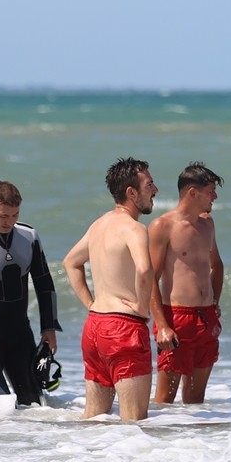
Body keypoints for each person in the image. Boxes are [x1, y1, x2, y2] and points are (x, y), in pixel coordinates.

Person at [62, 157, 159, 421]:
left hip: (95, 327)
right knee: (134, 422)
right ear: (131, 193)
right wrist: (141, 306)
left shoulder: (99, 224)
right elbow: (144, 269)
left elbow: (71, 262)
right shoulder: (134, 228)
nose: (155, 190)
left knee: (93, 419)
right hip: (124, 329)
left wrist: (90, 304)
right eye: (149, 185)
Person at [0, 181, 61, 407]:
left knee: (34, 403)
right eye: (3, 216)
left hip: (20, 332)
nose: (9, 222)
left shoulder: (29, 237)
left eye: (15, 215)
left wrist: (48, 327)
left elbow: (44, 283)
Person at [149, 162, 225, 404]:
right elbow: (150, 278)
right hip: (177, 318)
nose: (215, 197)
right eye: (211, 191)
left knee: (196, 399)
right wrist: (162, 325)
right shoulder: (163, 226)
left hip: (206, 317)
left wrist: (215, 302)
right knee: (165, 399)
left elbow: (217, 265)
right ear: (193, 192)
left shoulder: (207, 224)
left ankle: (194, 431)